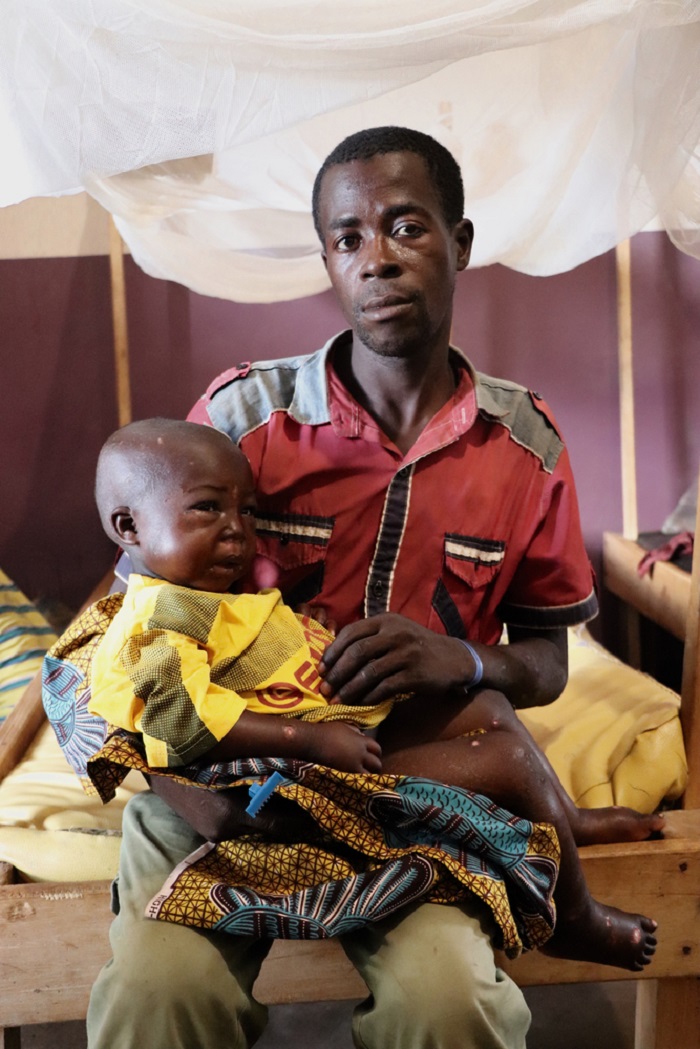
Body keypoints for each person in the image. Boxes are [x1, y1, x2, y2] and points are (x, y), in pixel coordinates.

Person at [86, 126, 662, 1049]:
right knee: (161, 995)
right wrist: (188, 787)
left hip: (403, 794)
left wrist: (464, 659)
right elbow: (128, 632)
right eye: (348, 239)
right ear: (326, 260)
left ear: (460, 243)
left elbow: (550, 664)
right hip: (222, 782)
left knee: (448, 999)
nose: (377, 260)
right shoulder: (244, 421)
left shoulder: (526, 447)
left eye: (406, 227)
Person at [89, 417, 386, 777]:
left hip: (355, 713)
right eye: (207, 507)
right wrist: (310, 740)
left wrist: (299, 631)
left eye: (247, 510)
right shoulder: (154, 623)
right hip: (323, 751)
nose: (237, 529)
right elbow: (188, 721)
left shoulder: (209, 599)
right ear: (130, 526)